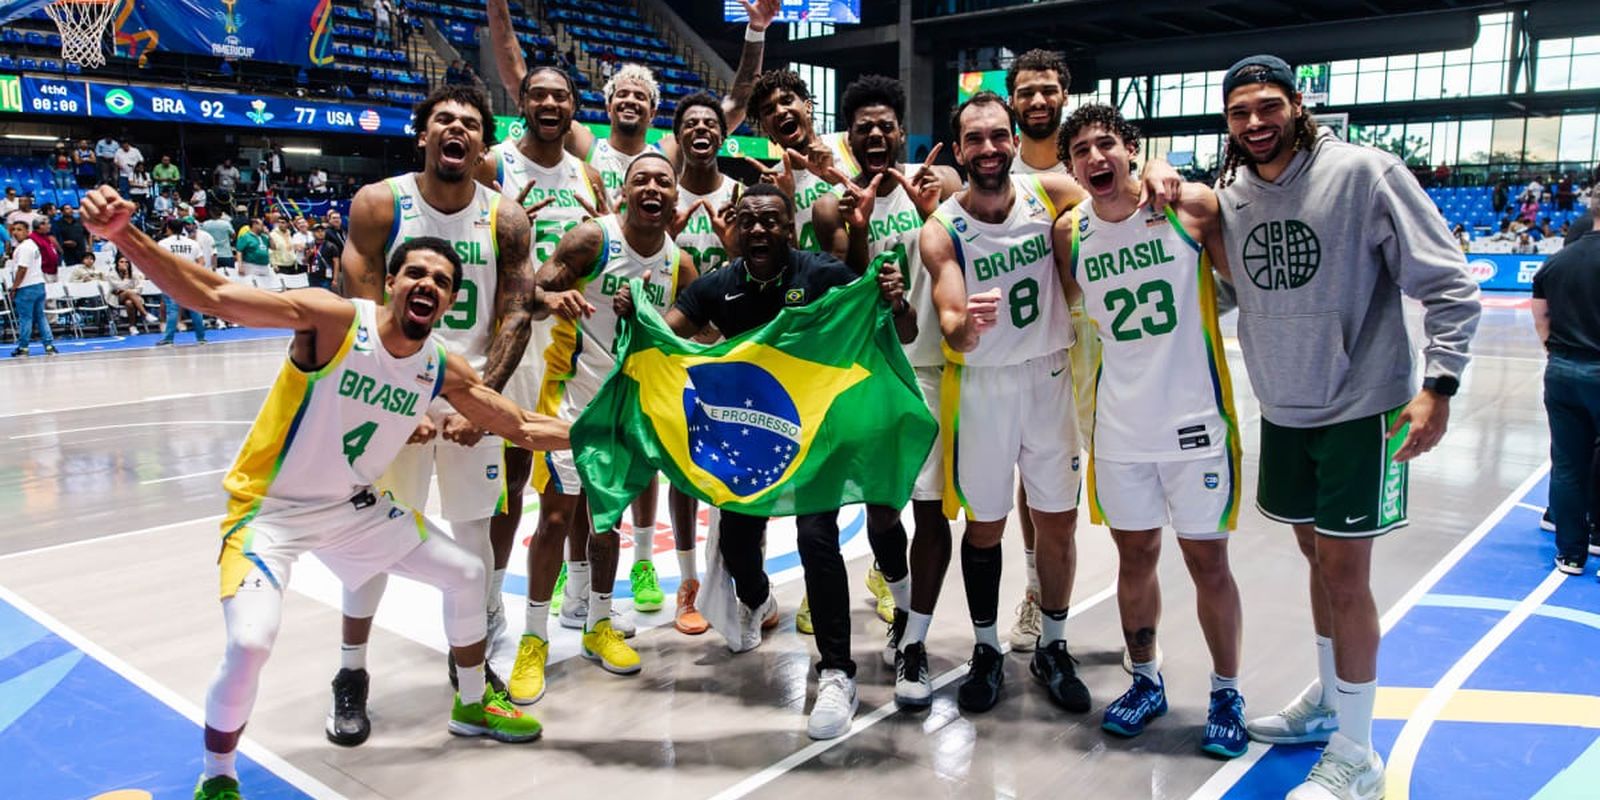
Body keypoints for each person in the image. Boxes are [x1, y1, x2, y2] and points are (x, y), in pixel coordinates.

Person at [78, 186, 568, 800]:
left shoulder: (440, 366)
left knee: (468, 570)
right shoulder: (335, 320)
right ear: (391, 283)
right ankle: (218, 777)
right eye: (415, 272)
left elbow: (520, 427)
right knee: (252, 641)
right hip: (268, 510)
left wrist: (613, 433)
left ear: (448, 301)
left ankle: (472, 705)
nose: (427, 284)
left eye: (441, 281)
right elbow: (215, 296)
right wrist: (126, 236)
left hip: (350, 508)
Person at [1214, 55, 1481, 800]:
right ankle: (1331, 701)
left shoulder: (1367, 174)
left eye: (1268, 107)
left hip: (1363, 407)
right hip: (1286, 408)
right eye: (1239, 113)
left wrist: (1439, 387)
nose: (1256, 124)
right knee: (1315, 558)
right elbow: (1229, 291)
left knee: (1345, 573)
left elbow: (1451, 286)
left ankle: (1357, 750)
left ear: (1299, 104)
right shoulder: (1231, 195)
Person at [611, 181, 907, 739]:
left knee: (817, 537)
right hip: (755, 439)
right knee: (740, 548)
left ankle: (837, 672)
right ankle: (758, 598)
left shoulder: (819, 272)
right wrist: (640, 314)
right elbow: (667, 335)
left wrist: (891, 294)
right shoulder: (719, 284)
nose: (759, 229)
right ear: (734, 229)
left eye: (770, 219)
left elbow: (883, 317)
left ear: (788, 228)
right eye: (747, 220)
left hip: (819, 435)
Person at [336, 84, 537, 746]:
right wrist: (405, 400)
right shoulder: (379, 203)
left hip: (468, 399)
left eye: (471, 124)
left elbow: (514, 311)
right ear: (422, 134)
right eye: (444, 120)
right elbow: (361, 314)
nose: (458, 129)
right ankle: (351, 675)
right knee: (372, 544)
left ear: (484, 144)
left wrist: (484, 404)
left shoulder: (505, 216)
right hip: (389, 396)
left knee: (474, 547)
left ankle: (472, 683)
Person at [1055, 104, 1249, 757]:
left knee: (1207, 563)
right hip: (1119, 428)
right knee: (1134, 560)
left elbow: (1242, 283)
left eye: (1105, 143)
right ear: (1072, 166)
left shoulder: (1189, 206)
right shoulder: (1070, 234)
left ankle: (1226, 691)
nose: (1093, 158)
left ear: (1131, 148)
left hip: (1196, 423)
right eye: (1080, 150)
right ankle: (1145, 680)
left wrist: (1175, 175)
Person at [506, 152, 696, 702]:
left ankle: (598, 624)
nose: (654, 187)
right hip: (571, 400)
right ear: (625, 190)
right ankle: (534, 640)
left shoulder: (678, 262)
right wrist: (550, 297)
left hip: (627, 408)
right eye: (643, 179)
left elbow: (691, 330)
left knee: (606, 524)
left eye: (664, 180)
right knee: (557, 518)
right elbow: (531, 294)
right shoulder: (593, 239)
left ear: (673, 196)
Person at [804, 74, 962, 701]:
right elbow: (848, 286)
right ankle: (899, 606)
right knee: (878, 508)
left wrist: (931, 213)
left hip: (926, 369)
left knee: (924, 508)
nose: (874, 133)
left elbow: (962, 254)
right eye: (862, 126)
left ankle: (914, 635)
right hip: (864, 373)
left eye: (885, 125)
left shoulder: (941, 187)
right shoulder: (828, 208)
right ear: (850, 136)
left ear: (901, 132)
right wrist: (863, 227)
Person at [473, 62, 611, 676]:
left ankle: (577, 592)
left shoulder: (585, 172)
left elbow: (605, 241)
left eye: (561, 94)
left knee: (574, 471)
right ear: (520, 102)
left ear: (572, 106)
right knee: (508, 472)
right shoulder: (495, 163)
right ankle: (491, 598)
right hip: (512, 334)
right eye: (539, 94)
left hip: (574, 341)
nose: (550, 102)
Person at [487, 0, 776, 204]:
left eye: (640, 96)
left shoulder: (665, 153)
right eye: (622, 94)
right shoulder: (587, 146)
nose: (630, 100)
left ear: (652, 113)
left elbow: (736, 105)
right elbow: (518, 81)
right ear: (608, 107)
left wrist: (756, 31)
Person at [659, 91, 747, 635]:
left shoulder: (739, 193)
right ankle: (688, 583)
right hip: (682, 351)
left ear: (721, 135)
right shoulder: (660, 192)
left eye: (709, 123)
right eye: (689, 123)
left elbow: (755, 266)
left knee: (738, 471)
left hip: (735, 348)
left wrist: (731, 246)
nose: (700, 130)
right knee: (684, 471)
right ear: (678, 135)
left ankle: (737, 579)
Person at [1532, 197, 1600, 576]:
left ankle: (1570, 554)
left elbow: (1540, 316)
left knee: (1568, 464)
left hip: (1562, 370)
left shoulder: (1556, 262)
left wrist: (1555, 353)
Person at [6, 219, 59, 357]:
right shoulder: (33, 245)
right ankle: (49, 345)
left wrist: (14, 287)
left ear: (27, 231)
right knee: (40, 317)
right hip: (38, 284)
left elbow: (22, 269)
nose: (15, 233)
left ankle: (23, 347)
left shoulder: (24, 248)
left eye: (19, 229)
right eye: (13, 230)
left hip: (26, 287)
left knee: (25, 318)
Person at [153, 218, 208, 346]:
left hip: (172, 280)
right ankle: (201, 338)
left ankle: (168, 339)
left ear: (169, 229)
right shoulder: (192, 243)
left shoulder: (163, 243)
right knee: (195, 309)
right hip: (190, 279)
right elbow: (201, 262)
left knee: (172, 310)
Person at [106, 253, 159, 330]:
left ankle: (132, 326)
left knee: (129, 303)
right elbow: (119, 287)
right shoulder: (111, 275)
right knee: (128, 293)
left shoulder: (134, 274)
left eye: (126, 262)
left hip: (134, 298)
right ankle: (145, 314)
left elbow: (139, 288)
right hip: (116, 298)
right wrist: (127, 277)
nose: (124, 264)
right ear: (117, 263)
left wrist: (129, 291)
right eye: (121, 262)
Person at [53, 204, 90, 272]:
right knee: (72, 272)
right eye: (67, 209)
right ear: (62, 212)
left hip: (82, 251)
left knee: (85, 272)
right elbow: (55, 238)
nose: (70, 210)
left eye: (71, 208)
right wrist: (64, 242)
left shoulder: (80, 221)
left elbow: (88, 234)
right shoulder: (58, 224)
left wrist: (89, 247)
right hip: (68, 253)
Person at [308, 223, 340, 290]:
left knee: (326, 297)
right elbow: (304, 261)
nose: (320, 233)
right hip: (312, 276)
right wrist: (309, 254)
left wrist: (335, 279)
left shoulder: (331, 246)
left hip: (326, 277)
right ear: (313, 233)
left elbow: (336, 263)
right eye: (317, 231)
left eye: (322, 231)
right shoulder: (309, 245)